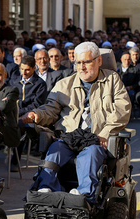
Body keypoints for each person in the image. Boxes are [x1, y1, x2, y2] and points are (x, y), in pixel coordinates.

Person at [21, 42, 131, 204]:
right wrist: (36, 114)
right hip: (69, 138)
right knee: (54, 152)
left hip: (96, 139)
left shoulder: (112, 80)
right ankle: (47, 190)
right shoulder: (65, 84)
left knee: (90, 155)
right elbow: (50, 109)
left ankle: (83, 195)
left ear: (99, 61)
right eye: (78, 63)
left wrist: (105, 133)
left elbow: (123, 109)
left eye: (86, 62)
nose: (82, 67)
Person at [0, 62, 20, 165]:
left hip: (5, 130)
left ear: (5, 75)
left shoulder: (12, 90)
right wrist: (0, 102)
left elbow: (4, 107)